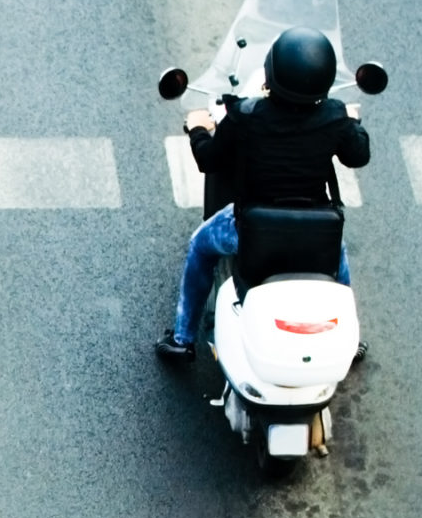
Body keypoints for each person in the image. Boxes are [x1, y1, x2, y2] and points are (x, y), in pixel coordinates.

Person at [155, 26, 370, 361]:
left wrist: (198, 127)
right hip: (316, 230)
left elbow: (208, 159)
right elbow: (359, 155)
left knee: (200, 245)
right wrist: (352, 123)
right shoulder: (334, 117)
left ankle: (183, 339)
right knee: (338, 256)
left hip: (251, 229)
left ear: (272, 73)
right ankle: (349, 339)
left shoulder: (246, 116)